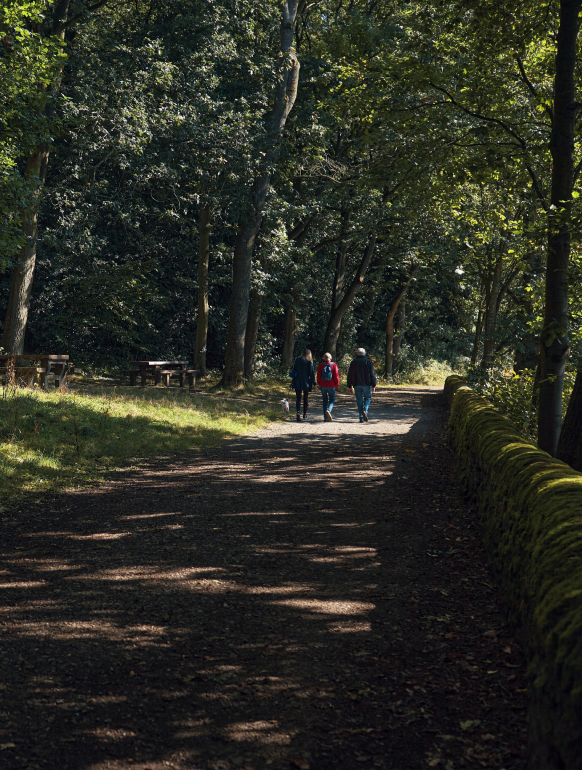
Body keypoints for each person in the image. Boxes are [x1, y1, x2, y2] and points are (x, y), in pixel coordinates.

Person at [347, 347, 377, 423]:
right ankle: (365, 410)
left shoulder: (353, 362)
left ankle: (361, 417)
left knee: (359, 400)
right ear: (365, 354)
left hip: (356, 384)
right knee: (367, 399)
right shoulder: (368, 362)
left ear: (357, 353)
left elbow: (350, 374)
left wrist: (349, 385)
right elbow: (372, 374)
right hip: (367, 384)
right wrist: (373, 385)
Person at [291, 348, 315, 422]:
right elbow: (311, 373)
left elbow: (294, 369)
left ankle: (298, 413)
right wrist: (314, 383)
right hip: (306, 382)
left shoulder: (297, 360)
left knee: (298, 399)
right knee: (305, 399)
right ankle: (305, 414)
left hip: (298, 380)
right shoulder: (309, 362)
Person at [316, 352, 340, 422]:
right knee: (332, 400)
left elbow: (318, 375)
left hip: (323, 385)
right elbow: (336, 375)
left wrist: (319, 383)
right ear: (331, 358)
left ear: (323, 358)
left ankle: (325, 417)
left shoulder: (321, 365)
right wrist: (337, 383)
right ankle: (329, 410)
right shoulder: (334, 365)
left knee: (325, 401)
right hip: (331, 385)